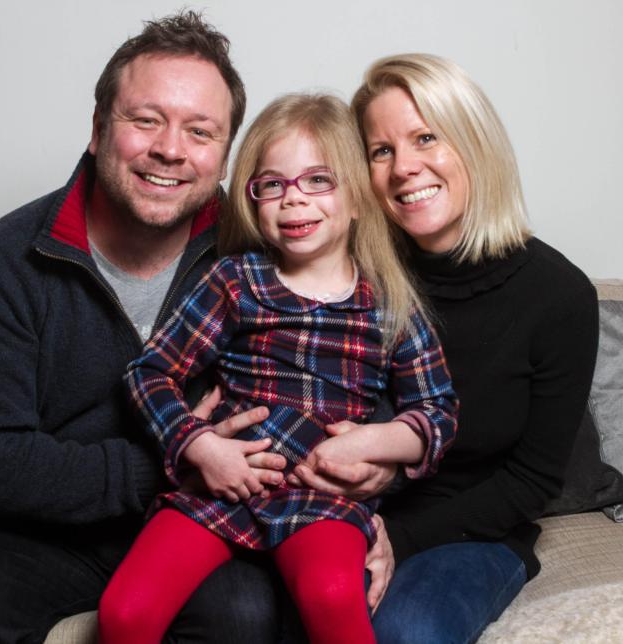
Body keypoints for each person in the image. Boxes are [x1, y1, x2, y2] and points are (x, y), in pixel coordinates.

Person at [0, 12, 293, 642]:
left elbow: (336, 379)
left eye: (201, 131)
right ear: (97, 129)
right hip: (48, 532)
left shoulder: (258, 258)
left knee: (247, 616)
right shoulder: (3, 261)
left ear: (225, 157)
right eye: (145, 120)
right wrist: (174, 459)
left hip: (209, 520)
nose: (170, 148)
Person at [97, 94, 458, 644]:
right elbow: (149, 373)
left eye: (318, 181)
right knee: (125, 612)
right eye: (272, 184)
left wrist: (378, 442)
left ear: (358, 197)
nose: (293, 202)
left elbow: (438, 410)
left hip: (324, 496)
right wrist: (200, 446)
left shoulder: (389, 302)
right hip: (225, 485)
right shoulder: (236, 280)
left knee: (334, 597)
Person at [294, 53, 597, 642]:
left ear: (474, 142)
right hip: (335, 512)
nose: (405, 167)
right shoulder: (352, 276)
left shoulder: (559, 296)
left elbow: (532, 480)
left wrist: (396, 537)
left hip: (473, 530)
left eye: (426, 137)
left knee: (410, 631)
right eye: (381, 151)